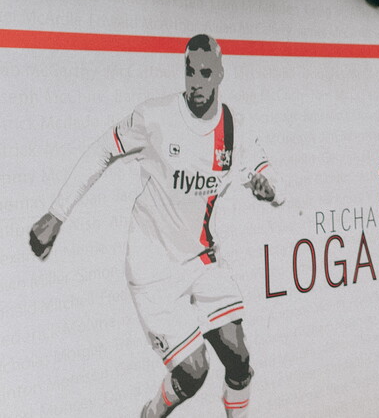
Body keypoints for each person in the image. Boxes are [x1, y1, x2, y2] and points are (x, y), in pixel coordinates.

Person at [29, 34, 282, 418]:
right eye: (189, 71)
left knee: (239, 358)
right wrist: (57, 214)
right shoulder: (155, 117)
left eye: (205, 73)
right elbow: (103, 151)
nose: (196, 81)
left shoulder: (234, 128)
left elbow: (270, 179)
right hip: (152, 261)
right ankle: (151, 414)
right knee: (194, 372)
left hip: (200, 257)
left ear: (220, 75)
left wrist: (270, 191)